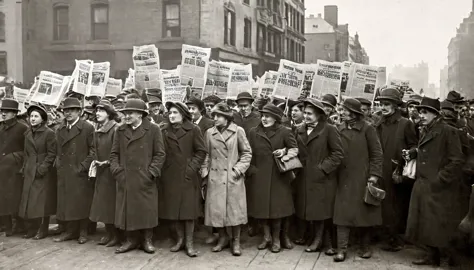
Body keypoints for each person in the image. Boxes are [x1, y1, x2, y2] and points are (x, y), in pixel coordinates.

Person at [405, 97, 464, 266]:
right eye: (420, 112)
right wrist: (414, 153)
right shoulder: (426, 129)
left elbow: (456, 160)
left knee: (440, 225)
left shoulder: (448, 131)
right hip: (425, 184)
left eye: (426, 112)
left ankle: (446, 259)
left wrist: (440, 179)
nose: (421, 115)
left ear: (435, 115)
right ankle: (431, 255)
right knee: (426, 223)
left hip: (440, 187)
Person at [109, 98, 165, 254]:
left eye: (130, 113)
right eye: (125, 113)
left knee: (146, 210)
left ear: (140, 114)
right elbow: (113, 154)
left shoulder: (153, 130)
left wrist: (151, 173)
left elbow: (160, 154)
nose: (126, 116)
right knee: (128, 211)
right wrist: (117, 171)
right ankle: (130, 240)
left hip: (144, 178)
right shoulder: (120, 130)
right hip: (125, 177)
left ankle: (147, 240)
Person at [333, 98, 384, 262]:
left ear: (354, 113)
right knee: (341, 214)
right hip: (342, 177)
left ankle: (365, 247)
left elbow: (377, 154)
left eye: (345, 110)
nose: (341, 112)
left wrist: (374, 175)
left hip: (362, 177)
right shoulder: (339, 128)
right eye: (341, 110)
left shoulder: (368, 129)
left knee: (364, 213)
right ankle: (341, 249)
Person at [200, 103, 252, 256]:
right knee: (217, 211)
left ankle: (235, 241)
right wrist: (205, 171)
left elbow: (247, 153)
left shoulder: (238, 131)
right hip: (215, 177)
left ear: (227, 117)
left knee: (233, 211)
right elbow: (206, 154)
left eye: (218, 116)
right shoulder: (210, 133)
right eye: (214, 115)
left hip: (232, 177)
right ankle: (222, 238)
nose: (215, 118)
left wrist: (237, 170)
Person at [294, 98, 344, 254]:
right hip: (304, 177)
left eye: (310, 114)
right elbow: (295, 149)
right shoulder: (299, 129)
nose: (306, 116)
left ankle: (318, 241)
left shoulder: (329, 129)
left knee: (321, 211)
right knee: (309, 210)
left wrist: (322, 169)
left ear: (319, 115)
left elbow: (338, 153)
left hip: (323, 179)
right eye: (305, 113)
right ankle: (319, 240)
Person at [247, 104, 298, 253]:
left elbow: (295, 149)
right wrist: (251, 170)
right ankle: (266, 237)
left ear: (276, 118)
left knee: (277, 211)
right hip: (259, 175)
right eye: (263, 115)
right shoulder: (253, 132)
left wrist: (284, 152)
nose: (264, 118)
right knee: (261, 209)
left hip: (279, 176)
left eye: (268, 116)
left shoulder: (285, 132)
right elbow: (247, 152)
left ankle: (276, 239)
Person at [160, 101, 207, 257]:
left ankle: (189, 243)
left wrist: (191, 169)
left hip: (187, 176)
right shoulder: (164, 130)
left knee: (188, 211)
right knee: (174, 210)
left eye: (175, 113)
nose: (171, 116)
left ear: (183, 114)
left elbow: (201, 151)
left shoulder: (193, 129)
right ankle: (180, 240)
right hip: (170, 175)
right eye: (170, 113)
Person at [374, 88, 417, 252]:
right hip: (381, 170)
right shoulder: (379, 123)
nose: (383, 107)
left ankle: (397, 239)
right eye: (381, 104)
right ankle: (385, 235)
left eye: (386, 104)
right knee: (382, 203)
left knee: (396, 206)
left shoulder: (406, 124)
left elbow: (415, 146)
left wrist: (403, 162)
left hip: (397, 171)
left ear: (396, 106)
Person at [54, 97, 95, 244]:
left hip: (79, 171)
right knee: (67, 202)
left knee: (81, 202)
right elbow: (58, 150)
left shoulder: (87, 128)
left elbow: (93, 150)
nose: (68, 113)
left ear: (79, 111)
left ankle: (83, 232)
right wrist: (58, 163)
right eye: (66, 110)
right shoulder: (60, 129)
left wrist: (83, 166)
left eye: (72, 110)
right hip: (65, 170)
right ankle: (70, 231)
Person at [18, 104, 57, 240]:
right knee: (29, 201)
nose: (32, 119)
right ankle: (31, 229)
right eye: (31, 116)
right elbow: (26, 153)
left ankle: (42, 229)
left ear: (43, 119)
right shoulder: (28, 133)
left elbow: (52, 153)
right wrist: (24, 168)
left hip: (42, 171)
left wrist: (43, 168)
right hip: (30, 169)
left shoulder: (49, 133)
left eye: (36, 116)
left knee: (41, 202)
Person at [89, 100, 119, 247]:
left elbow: (117, 152)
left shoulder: (115, 129)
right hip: (101, 172)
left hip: (112, 172)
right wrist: (95, 160)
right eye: (97, 111)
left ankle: (115, 235)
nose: (97, 113)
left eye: (101, 111)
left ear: (109, 113)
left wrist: (107, 162)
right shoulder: (98, 130)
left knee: (112, 204)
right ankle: (109, 233)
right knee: (104, 204)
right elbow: (94, 149)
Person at [0, 99, 29, 236]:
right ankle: (7, 226)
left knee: (15, 198)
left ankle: (19, 225)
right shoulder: (0, 127)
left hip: (15, 170)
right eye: (2, 111)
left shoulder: (23, 128)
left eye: (7, 112)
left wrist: (14, 157)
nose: (4, 114)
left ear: (14, 113)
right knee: (3, 197)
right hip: (2, 169)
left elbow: (28, 150)